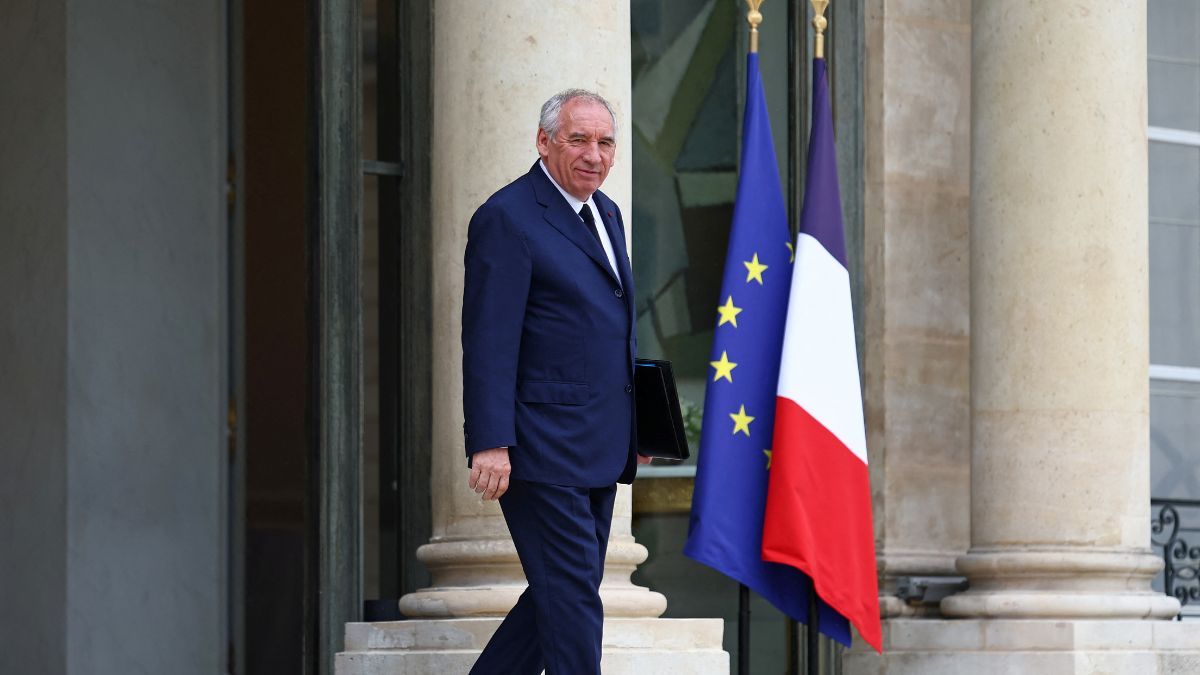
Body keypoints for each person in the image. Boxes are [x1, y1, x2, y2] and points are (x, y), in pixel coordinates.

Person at [461, 88, 649, 675]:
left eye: (606, 142)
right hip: (540, 446)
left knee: (560, 595)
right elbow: (488, 339)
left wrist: (636, 424)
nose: (595, 155)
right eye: (578, 139)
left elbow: (609, 330)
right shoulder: (507, 217)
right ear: (544, 142)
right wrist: (490, 442)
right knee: (572, 603)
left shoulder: (607, 212)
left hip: (598, 443)